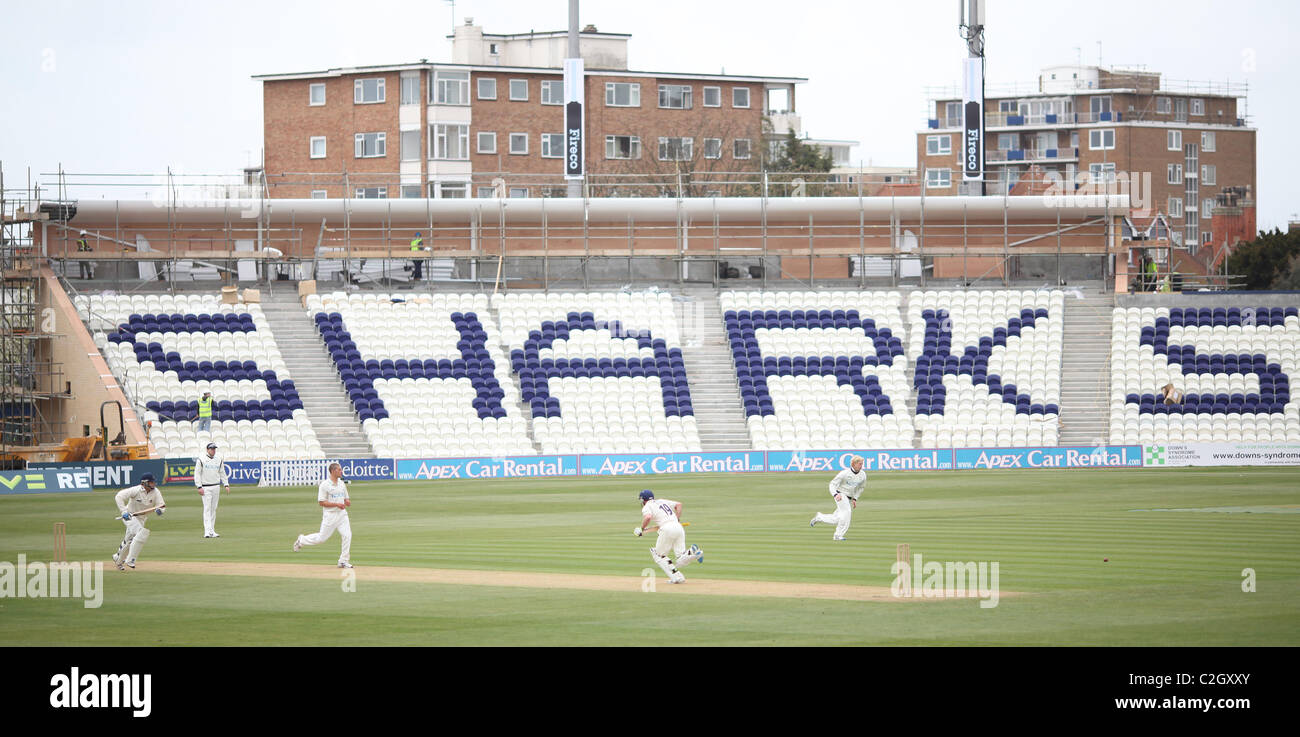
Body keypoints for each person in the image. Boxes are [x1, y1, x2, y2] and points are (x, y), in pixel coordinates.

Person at [634, 489, 702, 584]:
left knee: (658, 555)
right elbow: (679, 505)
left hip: (667, 529)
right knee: (680, 559)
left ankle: (676, 578)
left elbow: (648, 517)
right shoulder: (661, 501)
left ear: (643, 500)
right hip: (678, 527)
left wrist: (641, 528)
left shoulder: (647, 507)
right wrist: (677, 519)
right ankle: (693, 553)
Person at [292, 462, 353, 568]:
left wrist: (347, 501)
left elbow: (346, 498)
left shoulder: (342, 484)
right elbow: (321, 502)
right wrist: (336, 504)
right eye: (339, 470)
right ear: (333, 471)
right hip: (330, 515)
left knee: (347, 535)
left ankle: (343, 561)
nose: (341, 471)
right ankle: (301, 540)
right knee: (321, 539)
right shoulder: (324, 485)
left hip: (342, 515)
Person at [112, 473, 166, 570]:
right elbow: (119, 496)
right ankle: (130, 560)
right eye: (151, 482)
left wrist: (160, 511)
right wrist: (123, 511)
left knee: (129, 541)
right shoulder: (136, 490)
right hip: (129, 516)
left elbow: (161, 505)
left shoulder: (156, 492)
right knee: (142, 533)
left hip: (142, 518)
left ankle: (118, 559)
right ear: (144, 483)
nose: (154, 484)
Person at [809, 455, 867, 541]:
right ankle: (838, 535)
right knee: (847, 513)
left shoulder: (863, 475)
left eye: (862, 464)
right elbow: (832, 484)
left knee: (837, 518)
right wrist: (835, 494)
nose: (861, 466)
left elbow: (861, 487)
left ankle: (820, 517)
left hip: (849, 498)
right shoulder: (844, 473)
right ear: (853, 464)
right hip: (841, 495)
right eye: (859, 464)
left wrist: (855, 498)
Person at [194, 441, 230, 539]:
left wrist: (226, 484)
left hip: (216, 486)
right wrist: (199, 486)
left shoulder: (218, 459)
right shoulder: (201, 459)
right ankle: (207, 531)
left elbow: (222, 472)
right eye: (211, 449)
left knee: (213, 509)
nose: (213, 450)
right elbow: (197, 474)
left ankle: (212, 530)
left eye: (214, 449)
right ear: (207, 449)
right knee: (207, 508)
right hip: (205, 487)